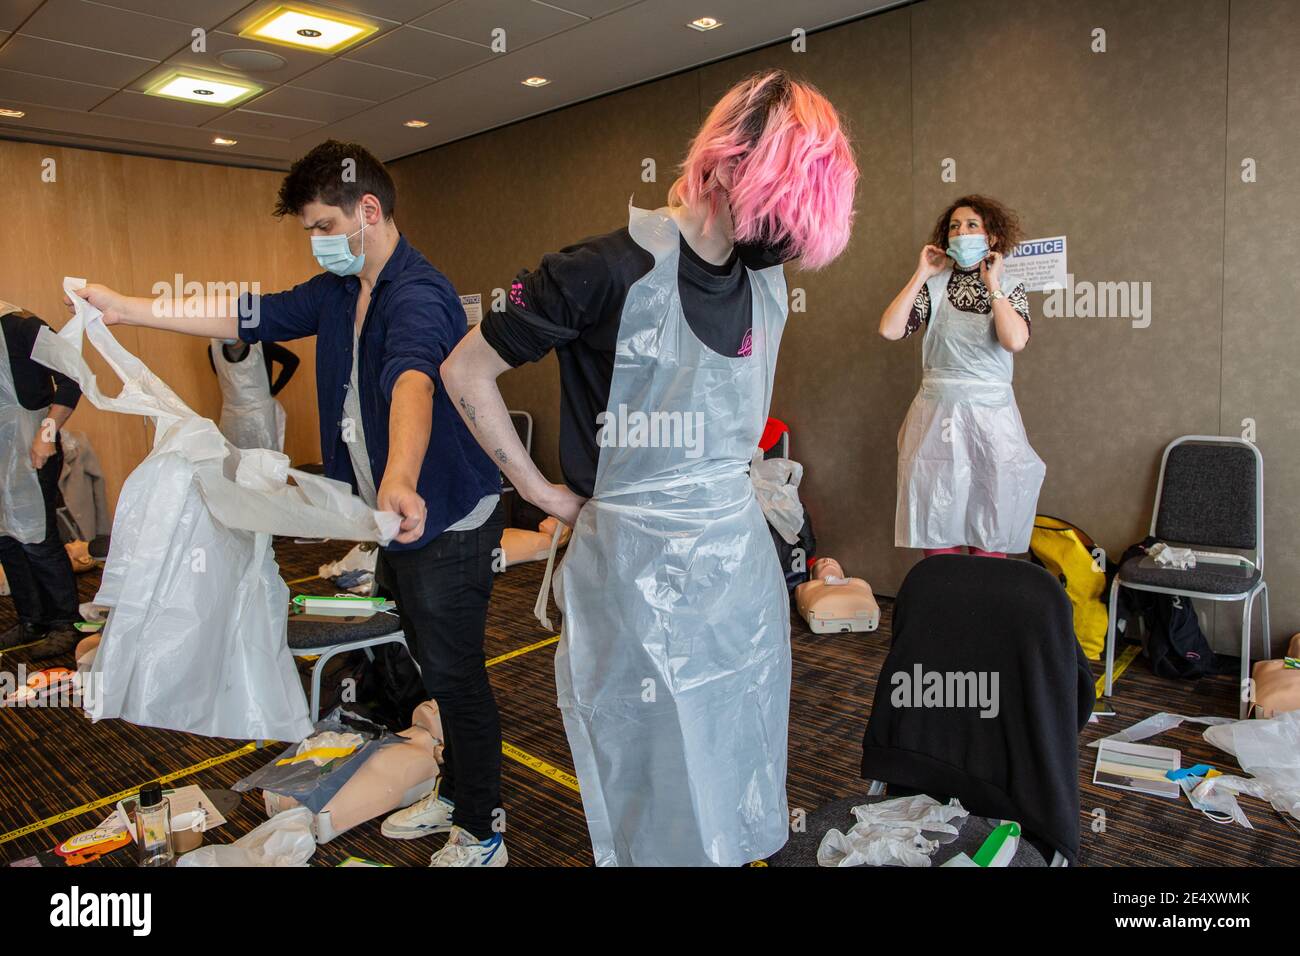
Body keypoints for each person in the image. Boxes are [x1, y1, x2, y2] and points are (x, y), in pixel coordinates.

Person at [441, 70, 858, 866]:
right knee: (653, 749)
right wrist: (540, 494)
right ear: (727, 164)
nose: (779, 242)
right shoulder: (599, 271)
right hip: (637, 562)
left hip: (734, 557)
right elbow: (465, 373)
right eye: (775, 213)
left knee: (739, 728)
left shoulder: (759, 276)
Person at [71, 141, 509, 867]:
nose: (315, 242)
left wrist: (400, 475)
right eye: (307, 230)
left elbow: (414, 386)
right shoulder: (340, 290)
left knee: (455, 671)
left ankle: (483, 826)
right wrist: (127, 308)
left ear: (368, 211)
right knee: (425, 661)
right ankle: (454, 790)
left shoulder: (418, 294)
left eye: (321, 226)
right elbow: (246, 313)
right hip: (392, 514)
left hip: (446, 516)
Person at [880, 194, 1044, 558]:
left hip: (991, 420)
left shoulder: (1010, 287)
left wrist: (993, 284)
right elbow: (890, 330)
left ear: (993, 238)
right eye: (954, 226)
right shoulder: (934, 287)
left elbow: (1014, 340)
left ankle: (984, 611)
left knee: (990, 527)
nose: (961, 232)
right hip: (937, 419)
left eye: (972, 225)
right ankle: (943, 609)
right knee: (936, 526)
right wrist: (922, 273)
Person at [0, 300, 83, 660]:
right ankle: (33, 619)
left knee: (37, 536)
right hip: (2, 449)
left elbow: (73, 377)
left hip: (31, 444)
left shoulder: (22, 326)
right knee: (6, 538)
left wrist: (46, 434)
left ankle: (67, 623)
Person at [206, 337, 299, 451]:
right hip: (231, 416)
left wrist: (275, 389)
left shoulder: (261, 346)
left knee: (265, 456)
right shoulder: (214, 350)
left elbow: (292, 361)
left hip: (261, 415)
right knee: (235, 456)